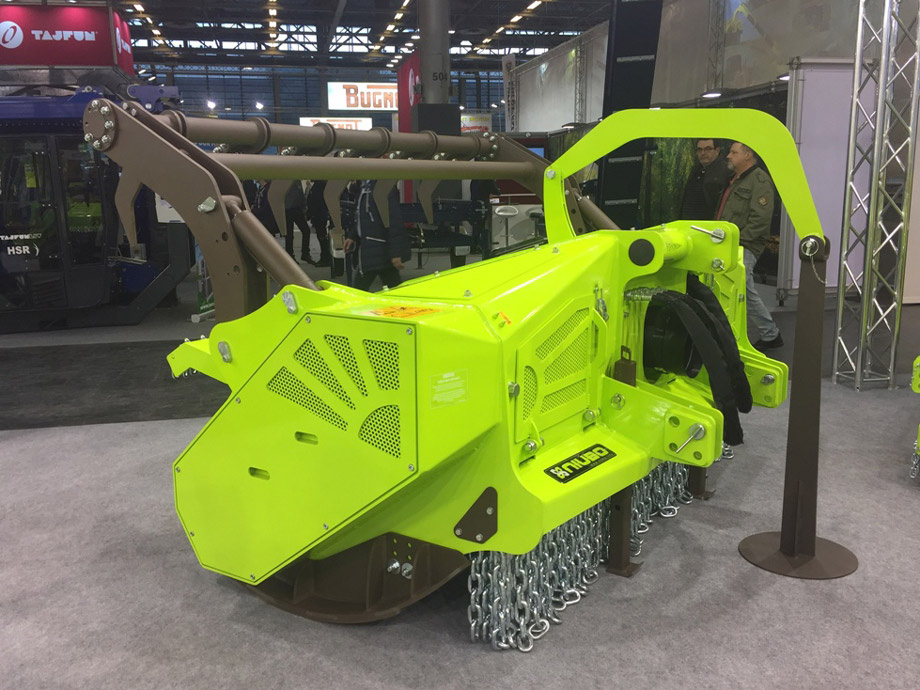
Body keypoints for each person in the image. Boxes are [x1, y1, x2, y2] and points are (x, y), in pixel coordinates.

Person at [717, 142, 783, 351]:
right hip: (729, 244)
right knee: (734, 287)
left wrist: (739, 240)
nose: (729, 156)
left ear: (748, 155)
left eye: (734, 152)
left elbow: (760, 219)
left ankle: (770, 334)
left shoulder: (759, 181)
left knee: (743, 287)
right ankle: (734, 333)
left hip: (744, 245)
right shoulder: (737, 179)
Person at [343, 180, 410, 291]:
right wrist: (352, 236)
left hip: (377, 247)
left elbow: (394, 220)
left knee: (359, 289)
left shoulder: (382, 186)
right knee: (393, 286)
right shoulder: (364, 187)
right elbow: (362, 216)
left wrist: (396, 253)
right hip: (374, 247)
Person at [680, 138, 731, 220]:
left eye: (708, 149)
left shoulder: (726, 171)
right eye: (699, 150)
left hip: (710, 224)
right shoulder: (696, 169)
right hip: (689, 222)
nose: (703, 153)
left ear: (717, 150)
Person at [305, 180, 332, 267]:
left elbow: (316, 201)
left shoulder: (319, 187)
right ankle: (325, 257)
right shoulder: (318, 186)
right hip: (318, 214)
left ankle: (325, 258)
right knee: (321, 236)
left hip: (319, 214)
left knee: (322, 236)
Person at [284, 180, 311, 263]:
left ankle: (305, 253)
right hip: (287, 209)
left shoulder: (297, 181)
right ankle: (290, 255)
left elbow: (300, 194)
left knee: (306, 231)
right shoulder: (285, 180)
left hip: (296, 209)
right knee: (289, 234)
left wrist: (303, 206)